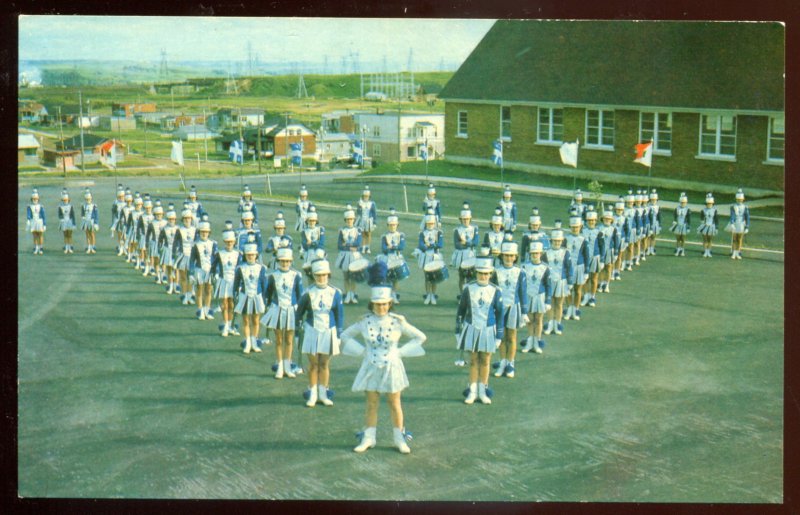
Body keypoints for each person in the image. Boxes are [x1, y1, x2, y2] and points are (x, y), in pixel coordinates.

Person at [342, 285, 427, 454]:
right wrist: (362, 351)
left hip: (392, 366)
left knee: (394, 403)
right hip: (371, 366)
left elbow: (421, 337)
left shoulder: (398, 322)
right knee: (371, 403)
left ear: (389, 304)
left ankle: (399, 439)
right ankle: (369, 438)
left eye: (384, 304)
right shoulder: (364, 321)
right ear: (372, 305)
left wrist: (400, 352)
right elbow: (345, 335)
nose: (381, 308)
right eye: (377, 304)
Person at [295, 259, 344, 407]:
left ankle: (323, 394)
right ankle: (313, 394)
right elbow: (299, 314)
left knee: (324, 364)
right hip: (311, 331)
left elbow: (339, 315)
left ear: (328, 275)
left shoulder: (336, 293)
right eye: (318, 275)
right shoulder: (307, 293)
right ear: (313, 276)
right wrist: (297, 334)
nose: (321, 278)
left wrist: (338, 335)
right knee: (313, 364)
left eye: (324, 275)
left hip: (329, 331)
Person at [456, 256, 504, 405]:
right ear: (475, 273)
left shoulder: (496, 291)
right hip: (471, 328)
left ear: (490, 274)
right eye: (480, 273)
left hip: (488, 330)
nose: (483, 276)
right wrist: (458, 331)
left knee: (485, 360)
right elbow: (461, 311)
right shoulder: (468, 289)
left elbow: (500, 313)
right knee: (473, 360)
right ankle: (472, 391)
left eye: (486, 273)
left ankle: (483, 391)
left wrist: (499, 335)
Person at [261, 248, 304, 379]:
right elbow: (267, 293)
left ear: (291, 261)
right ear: (278, 261)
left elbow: (300, 294)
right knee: (279, 340)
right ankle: (279, 366)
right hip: (277, 309)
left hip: (292, 310)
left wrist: (300, 313)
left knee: (289, 339)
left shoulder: (297, 275)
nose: (285, 263)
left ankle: (287, 365)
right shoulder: (272, 276)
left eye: (287, 261)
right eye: (282, 261)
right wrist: (267, 306)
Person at [492, 238, 528, 379]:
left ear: (515, 257)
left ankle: (510, 363)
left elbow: (523, 292)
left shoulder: (520, 272)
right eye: (506, 255)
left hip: (514, 307)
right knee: (501, 336)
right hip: (500, 308)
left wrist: (524, 312)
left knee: (511, 336)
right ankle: (502, 362)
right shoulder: (496, 271)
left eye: (511, 256)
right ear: (502, 256)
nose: (508, 258)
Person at [233, 243, 269, 354]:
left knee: (256, 319)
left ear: (256, 255)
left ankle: (254, 341)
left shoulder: (261, 268)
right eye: (248, 255)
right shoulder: (240, 268)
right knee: (246, 320)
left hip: (257, 297)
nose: (250, 256)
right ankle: (248, 342)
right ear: (245, 255)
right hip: (245, 296)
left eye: (252, 255)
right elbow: (236, 283)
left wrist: (264, 298)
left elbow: (264, 284)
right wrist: (235, 295)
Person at [521, 242, 551, 354]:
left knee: (538, 320)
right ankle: (530, 340)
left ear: (541, 253)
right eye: (533, 253)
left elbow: (548, 285)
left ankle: (537, 341)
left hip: (540, 296)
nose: (535, 255)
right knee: (529, 320)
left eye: (537, 253)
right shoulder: (524, 267)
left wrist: (548, 300)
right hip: (528, 295)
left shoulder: (545, 268)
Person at [212, 229, 242, 337]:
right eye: (227, 242)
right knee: (224, 304)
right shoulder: (219, 253)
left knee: (232, 304)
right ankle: (225, 325)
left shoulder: (238, 254)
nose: (229, 243)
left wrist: (240, 284)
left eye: (231, 241)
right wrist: (215, 274)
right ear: (225, 242)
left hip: (234, 281)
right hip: (223, 281)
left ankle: (230, 325)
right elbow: (213, 266)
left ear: (234, 242)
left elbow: (240, 269)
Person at [544, 223, 571, 336]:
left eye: (559, 241)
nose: (557, 243)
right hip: (550, 282)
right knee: (550, 303)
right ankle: (550, 324)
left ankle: (557, 324)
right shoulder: (546, 252)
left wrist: (569, 282)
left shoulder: (565, 252)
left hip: (561, 281)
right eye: (555, 241)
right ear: (551, 241)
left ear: (562, 241)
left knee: (559, 304)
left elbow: (569, 267)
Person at [378, 209, 408, 303]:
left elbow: (401, 247)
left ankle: (394, 294)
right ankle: (388, 294)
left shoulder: (400, 235)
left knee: (396, 278)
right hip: (387, 258)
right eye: (390, 225)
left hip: (397, 257)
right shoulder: (384, 236)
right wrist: (394, 248)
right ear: (388, 226)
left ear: (397, 225)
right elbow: (383, 248)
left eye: (394, 225)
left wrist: (391, 247)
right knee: (387, 277)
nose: (392, 227)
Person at [190, 221, 218, 320]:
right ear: (199, 232)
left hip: (210, 270)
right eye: (202, 232)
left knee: (209, 290)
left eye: (206, 232)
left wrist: (216, 271)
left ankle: (207, 310)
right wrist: (191, 273)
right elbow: (192, 259)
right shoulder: (195, 244)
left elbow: (216, 259)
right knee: (199, 290)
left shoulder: (213, 244)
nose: (204, 234)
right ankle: (200, 310)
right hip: (199, 270)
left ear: (209, 233)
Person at [564, 213, 589, 321]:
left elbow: (587, 256)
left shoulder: (584, 239)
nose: (575, 229)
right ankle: (569, 309)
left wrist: (587, 270)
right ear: (570, 227)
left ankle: (576, 309)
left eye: (577, 227)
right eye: (573, 227)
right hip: (568, 267)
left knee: (577, 290)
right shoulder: (565, 239)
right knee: (567, 290)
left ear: (580, 227)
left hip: (579, 267)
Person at [336, 205, 363, 304]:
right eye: (347, 219)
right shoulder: (342, 230)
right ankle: (347, 294)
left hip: (355, 256)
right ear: (345, 220)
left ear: (354, 219)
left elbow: (358, 243)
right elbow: (339, 245)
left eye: (351, 219)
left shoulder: (358, 230)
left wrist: (346, 244)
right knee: (346, 276)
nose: (349, 221)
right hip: (345, 255)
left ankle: (352, 294)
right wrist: (350, 246)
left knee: (354, 276)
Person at [417, 210, 445, 305]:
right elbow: (421, 245)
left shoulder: (438, 233)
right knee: (427, 277)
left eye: (432, 223)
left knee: (434, 277)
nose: (430, 225)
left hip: (435, 256)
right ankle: (428, 294)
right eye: (428, 223)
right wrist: (429, 246)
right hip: (426, 256)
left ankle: (433, 294)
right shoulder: (422, 233)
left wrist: (430, 245)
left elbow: (440, 244)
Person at [451, 202, 479, 294]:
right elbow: (457, 244)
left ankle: (470, 294)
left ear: (470, 219)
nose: (465, 221)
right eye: (463, 219)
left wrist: (466, 243)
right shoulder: (457, 230)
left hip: (471, 254)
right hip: (461, 255)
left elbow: (475, 242)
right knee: (462, 276)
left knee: (472, 276)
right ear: (461, 219)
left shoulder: (474, 229)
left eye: (467, 219)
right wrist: (468, 244)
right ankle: (462, 294)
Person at [581, 207, 604, 308]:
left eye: (593, 220)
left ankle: (592, 296)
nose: (591, 222)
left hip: (595, 256)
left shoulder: (599, 232)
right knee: (585, 278)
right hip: (584, 257)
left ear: (596, 220)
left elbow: (602, 246)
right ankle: (585, 295)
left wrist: (602, 259)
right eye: (589, 220)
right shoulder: (582, 230)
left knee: (594, 278)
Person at [172, 209, 197, 304]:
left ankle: (190, 295)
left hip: (192, 257)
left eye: (189, 218)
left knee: (191, 277)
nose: (187, 220)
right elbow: (175, 243)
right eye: (185, 218)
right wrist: (174, 255)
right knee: (183, 277)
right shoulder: (179, 230)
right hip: (183, 256)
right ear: (182, 219)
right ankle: (185, 295)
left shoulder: (195, 230)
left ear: (191, 219)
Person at [158, 208, 179, 293]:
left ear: (175, 220)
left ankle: (176, 286)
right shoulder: (164, 228)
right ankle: (170, 286)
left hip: (176, 250)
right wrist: (161, 248)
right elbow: (160, 239)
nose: (171, 221)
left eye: (173, 219)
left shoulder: (178, 228)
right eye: (170, 219)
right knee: (170, 269)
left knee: (177, 269)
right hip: (167, 249)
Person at [597, 209, 619, 294]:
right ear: (602, 219)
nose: (607, 220)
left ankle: (606, 284)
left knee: (608, 268)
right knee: (601, 268)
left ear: (611, 220)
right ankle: (600, 283)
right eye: (605, 218)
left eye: (609, 219)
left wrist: (616, 252)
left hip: (609, 251)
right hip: (600, 250)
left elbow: (616, 241)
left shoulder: (614, 229)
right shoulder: (599, 228)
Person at [146, 203, 167, 282]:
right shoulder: (152, 223)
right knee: (157, 260)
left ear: (162, 214)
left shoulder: (165, 223)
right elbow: (148, 234)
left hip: (164, 244)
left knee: (163, 261)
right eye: (157, 214)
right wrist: (147, 243)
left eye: (160, 214)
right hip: (155, 243)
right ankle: (158, 275)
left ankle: (163, 274)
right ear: (154, 215)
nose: (159, 216)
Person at [726, 189, 750, 259]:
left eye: (740, 199)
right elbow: (732, 215)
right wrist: (732, 223)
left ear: (743, 199)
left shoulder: (745, 207)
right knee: (734, 239)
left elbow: (747, 217)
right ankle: (733, 252)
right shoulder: (733, 207)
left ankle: (738, 252)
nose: (739, 201)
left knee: (739, 239)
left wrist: (747, 227)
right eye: (738, 199)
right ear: (736, 199)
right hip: (735, 224)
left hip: (741, 224)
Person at [611, 197, 630, 280]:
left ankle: (617, 272)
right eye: (618, 210)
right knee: (612, 257)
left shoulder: (625, 218)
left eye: (621, 210)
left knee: (619, 256)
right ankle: (611, 273)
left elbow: (627, 229)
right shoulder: (612, 218)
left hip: (621, 238)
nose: (619, 211)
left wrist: (626, 240)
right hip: (613, 239)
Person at [356, 185, 377, 254]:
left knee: (368, 234)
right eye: (364, 196)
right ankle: (363, 246)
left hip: (369, 220)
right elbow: (358, 212)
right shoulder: (360, 203)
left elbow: (374, 213)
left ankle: (368, 247)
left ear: (369, 197)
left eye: (367, 196)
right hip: (362, 220)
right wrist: (359, 206)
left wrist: (374, 222)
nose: (366, 198)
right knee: (363, 234)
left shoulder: (372, 204)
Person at [697, 193, 720, 258]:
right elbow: (701, 218)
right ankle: (705, 251)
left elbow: (716, 219)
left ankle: (709, 251)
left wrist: (716, 228)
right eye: (708, 203)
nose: (709, 205)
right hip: (705, 226)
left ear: (712, 204)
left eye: (710, 203)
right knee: (705, 239)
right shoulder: (703, 210)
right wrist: (702, 223)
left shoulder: (714, 210)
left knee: (710, 239)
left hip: (711, 226)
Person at [670, 192, 692, 257]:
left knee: (683, 239)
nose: (683, 204)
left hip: (684, 226)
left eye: (684, 202)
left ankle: (682, 250)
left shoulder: (688, 210)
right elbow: (675, 216)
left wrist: (688, 227)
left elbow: (689, 219)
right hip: (678, 225)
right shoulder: (677, 208)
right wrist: (674, 221)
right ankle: (677, 249)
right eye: (682, 202)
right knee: (678, 238)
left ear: (686, 202)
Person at [135, 199, 154, 271]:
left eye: (149, 208)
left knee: (151, 253)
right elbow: (138, 227)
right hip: (143, 235)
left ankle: (151, 267)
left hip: (151, 237)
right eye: (146, 208)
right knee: (143, 250)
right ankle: (142, 262)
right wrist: (138, 235)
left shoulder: (153, 216)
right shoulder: (142, 216)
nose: (148, 209)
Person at [125, 195, 144, 266]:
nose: (138, 206)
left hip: (140, 232)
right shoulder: (132, 213)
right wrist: (127, 232)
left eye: (139, 205)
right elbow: (128, 223)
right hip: (133, 230)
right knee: (131, 244)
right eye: (136, 205)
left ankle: (139, 260)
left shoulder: (143, 214)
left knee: (138, 246)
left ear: (141, 205)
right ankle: (130, 256)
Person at [27, 189, 46, 255]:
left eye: (36, 199)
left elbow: (43, 215)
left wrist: (44, 224)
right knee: (34, 235)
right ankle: (36, 247)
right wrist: (28, 220)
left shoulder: (41, 206)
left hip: (39, 221)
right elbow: (28, 214)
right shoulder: (29, 206)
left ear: (38, 199)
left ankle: (40, 247)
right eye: (33, 199)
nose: (35, 200)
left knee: (40, 235)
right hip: (33, 222)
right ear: (31, 199)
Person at [57, 189, 76, 254]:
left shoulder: (71, 206)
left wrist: (74, 224)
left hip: (70, 221)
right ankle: (66, 247)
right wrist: (61, 219)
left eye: (66, 200)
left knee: (69, 235)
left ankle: (70, 247)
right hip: (64, 222)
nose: (65, 201)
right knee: (65, 235)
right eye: (64, 200)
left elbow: (73, 215)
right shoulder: (60, 206)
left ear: (68, 200)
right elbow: (59, 214)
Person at [110, 186, 127, 255]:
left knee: (125, 235)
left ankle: (125, 248)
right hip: (118, 221)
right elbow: (113, 213)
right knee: (119, 235)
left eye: (122, 197)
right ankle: (121, 247)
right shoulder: (116, 203)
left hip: (125, 222)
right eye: (119, 197)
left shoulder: (126, 204)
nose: (121, 198)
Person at [646, 189, 662, 256]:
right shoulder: (648, 207)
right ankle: (648, 249)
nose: (653, 201)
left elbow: (659, 216)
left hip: (655, 223)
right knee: (648, 236)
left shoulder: (658, 207)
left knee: (653, 237)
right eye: (652, 200)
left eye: (655, 200)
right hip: (649, 223)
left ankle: (652, 248)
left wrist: (660, 224)